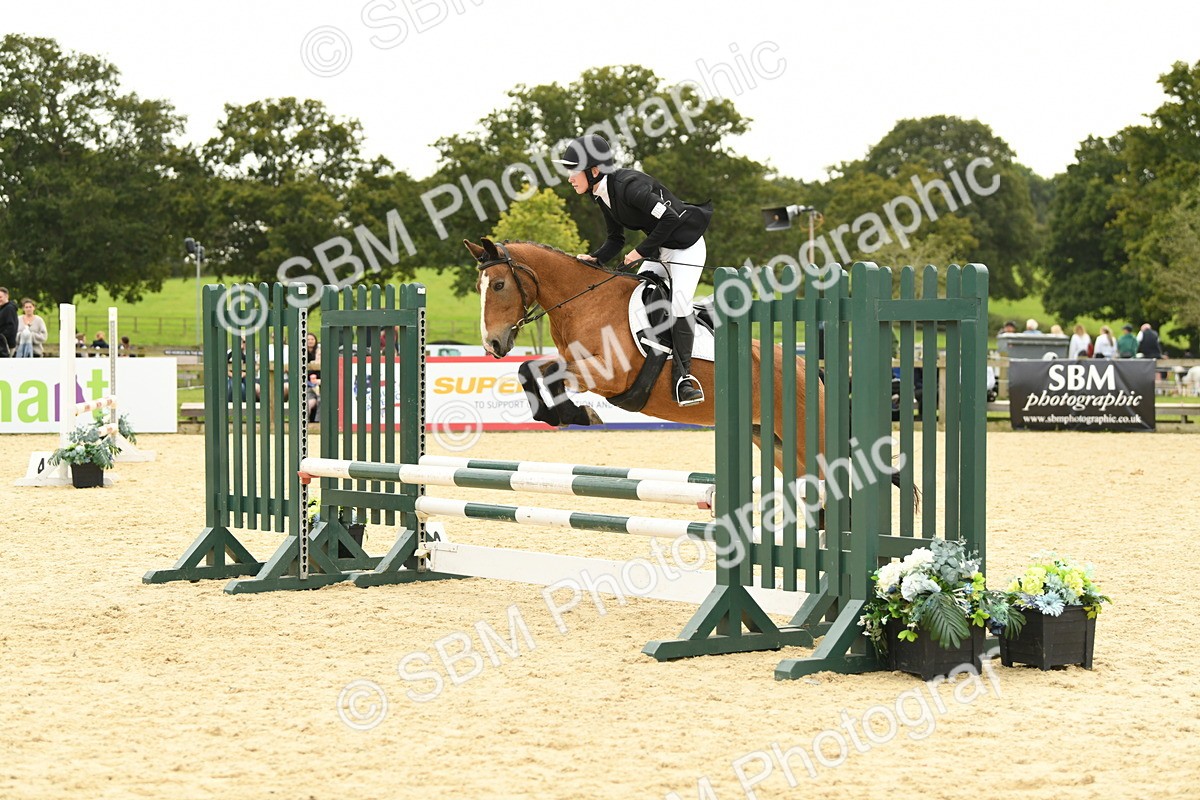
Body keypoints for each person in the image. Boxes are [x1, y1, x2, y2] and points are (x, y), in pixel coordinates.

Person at [556, 134, 712, 407]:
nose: (570, 177)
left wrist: (639, 253)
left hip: (686, 246)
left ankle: (684, 378)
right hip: (660, 247)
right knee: (637, 291)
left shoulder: (629, 186)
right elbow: (615, 239)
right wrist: (596, 259)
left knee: (678, 303)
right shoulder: (602, 194)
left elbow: (670, 218)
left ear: (593, 171)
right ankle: (651, 354)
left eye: (574, 171)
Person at [305, 332, 321, 422]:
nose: (310, 341)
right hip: (309, 385)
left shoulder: (319, 352)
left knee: (320, 399)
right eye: (308, 339)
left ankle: (317, 422)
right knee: (309, 402)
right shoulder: (302, 354)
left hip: (319, 385)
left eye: (312, 339)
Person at [0, 287, 17, 357]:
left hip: (6, 346)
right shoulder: (3, 309)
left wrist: (1, 336)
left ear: (7, 296)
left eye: (0, 297)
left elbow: (11, 327)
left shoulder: (9, 309)